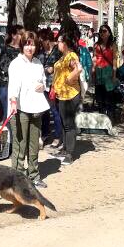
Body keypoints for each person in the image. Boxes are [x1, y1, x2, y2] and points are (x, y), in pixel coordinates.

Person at [8, 31, 49, 188]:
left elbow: (44, 82)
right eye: (27, 44)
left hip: (36, 108)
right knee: (20, 145)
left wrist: (43, 86)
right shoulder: (16, 64)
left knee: (33, 145)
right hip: (20, 109)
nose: (29, 47)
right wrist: (13, 103)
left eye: (32, 44)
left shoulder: (38, 63)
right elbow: (13, 86)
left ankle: (34, 175)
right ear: (22, 46)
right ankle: (17, 178)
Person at [52, 32, 82, 165]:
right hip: (62, 95)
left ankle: (70, 153)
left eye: (59, 41)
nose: (57, 43)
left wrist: (69, 80)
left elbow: (78, 68)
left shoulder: (71, 56)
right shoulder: (63, 57)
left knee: (69, 124)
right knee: (65, 123)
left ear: (65, 43)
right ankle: (64, 149)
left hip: (70, 95)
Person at [39, 28, 63, 147]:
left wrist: (53, 69)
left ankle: (58, 136)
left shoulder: (57, 52)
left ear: (47, 40)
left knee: (55, 111)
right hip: (43, 85)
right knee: (44, 111)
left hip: (54, 86)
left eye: (42, 41)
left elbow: (60, 67)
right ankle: (45, 134)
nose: (41, 43)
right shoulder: (40, 53)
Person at [93, 24, 119, 116]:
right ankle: (101, 116)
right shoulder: (96, 45)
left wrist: (114, 75)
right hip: (98, 72)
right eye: (100, 31)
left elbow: (115, 60)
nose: (102, 33)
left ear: (109, 33)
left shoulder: (113, 45)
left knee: (109, 95)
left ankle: (110, 116)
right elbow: (94, 58)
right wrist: (93, 71)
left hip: (108, 71)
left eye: (104, 31)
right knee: (100, 97)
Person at [0, 24, 23, 119]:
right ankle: (8, 132)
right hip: (7, 85)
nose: (23, 36)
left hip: (22, 86)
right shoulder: (5, 49)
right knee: (8, 114)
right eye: (21, 34)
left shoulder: (24, 50)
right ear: (13, 35)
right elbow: (5, 67)